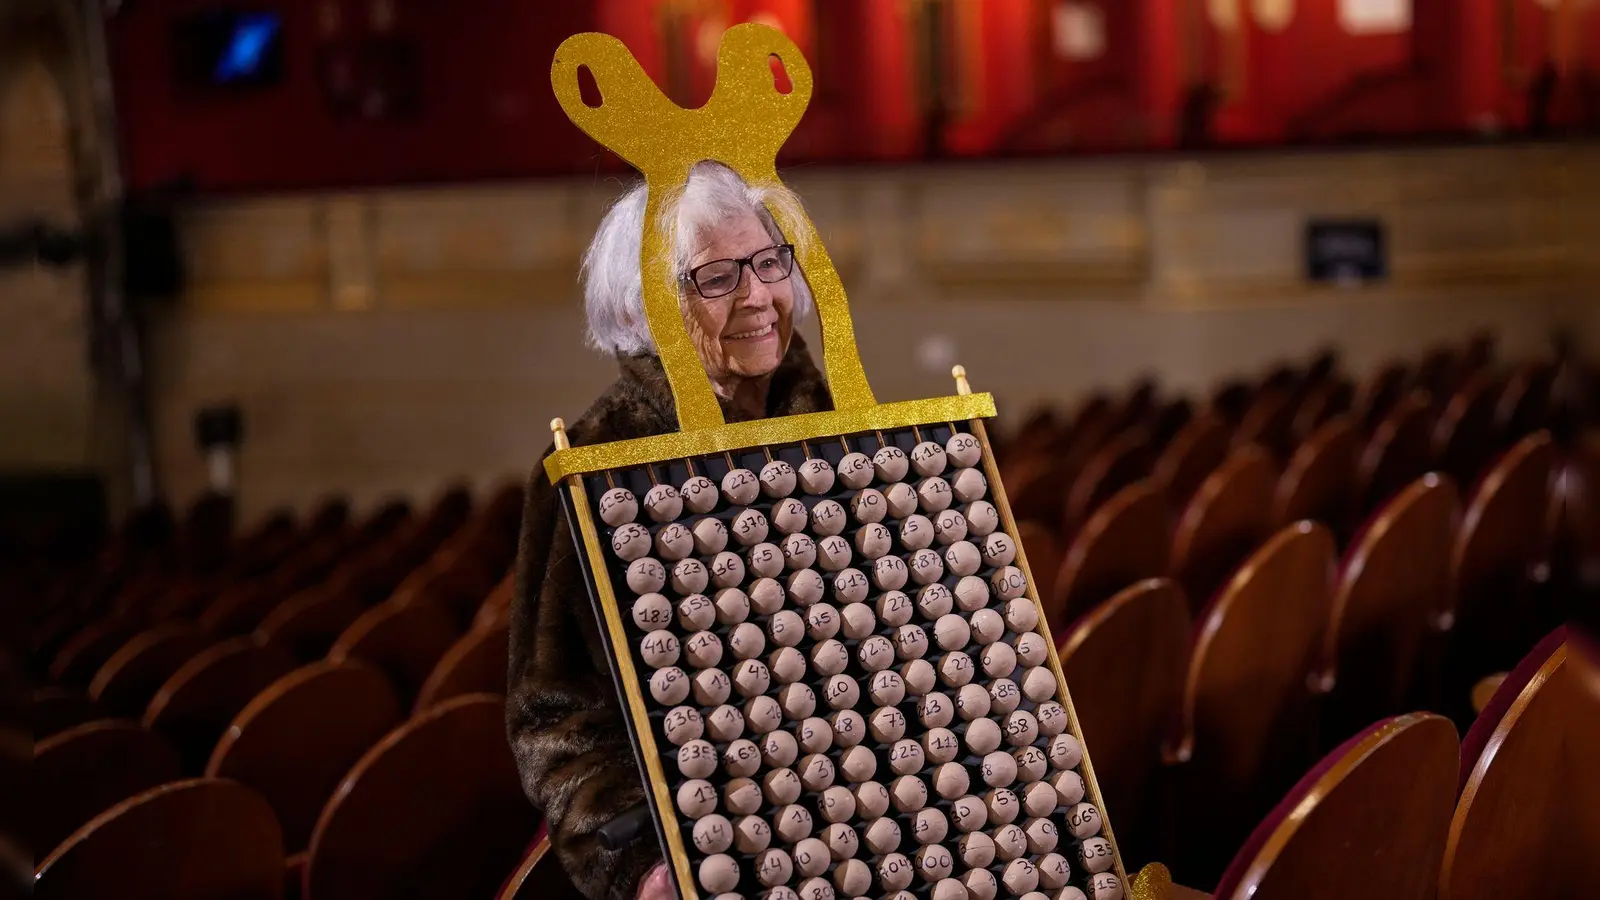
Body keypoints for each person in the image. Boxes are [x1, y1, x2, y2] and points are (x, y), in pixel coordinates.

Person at [506, 161, 833, 900]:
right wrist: (639, 867)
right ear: (644, 307)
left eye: (769, 264)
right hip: (707, 848)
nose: (757, 296)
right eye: (716, 278)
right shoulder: (592, 465)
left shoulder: (847, 426)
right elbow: (556, 718)